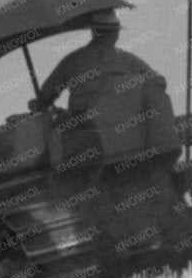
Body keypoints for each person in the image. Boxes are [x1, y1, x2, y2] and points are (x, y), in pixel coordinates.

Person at [31, 10, 177, 165]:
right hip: (126, 134)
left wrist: (39, 103)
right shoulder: (128, 60)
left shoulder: (72, 60)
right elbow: (159, 82)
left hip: (85, 133)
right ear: (115, 34)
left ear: (93, 32)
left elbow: (45, 96)